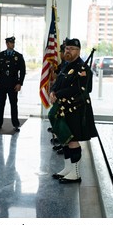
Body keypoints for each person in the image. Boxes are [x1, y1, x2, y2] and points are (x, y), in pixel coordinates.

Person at [48, 38, 98, 184]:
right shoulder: (66, 66)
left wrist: (58, 94)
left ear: (78, 51)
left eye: (72, 49)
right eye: (67, 48)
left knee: (73, 140)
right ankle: (67, 168)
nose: (68, 51)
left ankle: (75, 174)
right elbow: (57, 83)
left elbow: (81, 89)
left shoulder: (83, 69)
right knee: (65, 138)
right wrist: (52, 91)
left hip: (76, 108)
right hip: (63, 108)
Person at [0, 36, 26, 132]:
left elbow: (22, 71)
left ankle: (16, 124)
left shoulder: (18, 56)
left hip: (13, 84)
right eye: (11, 43)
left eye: (13, 43)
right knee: (0, 104)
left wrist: (20, 84)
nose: (13, 44)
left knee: (13, 104)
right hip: (1, 84)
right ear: (7, 44)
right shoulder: (0, 55)